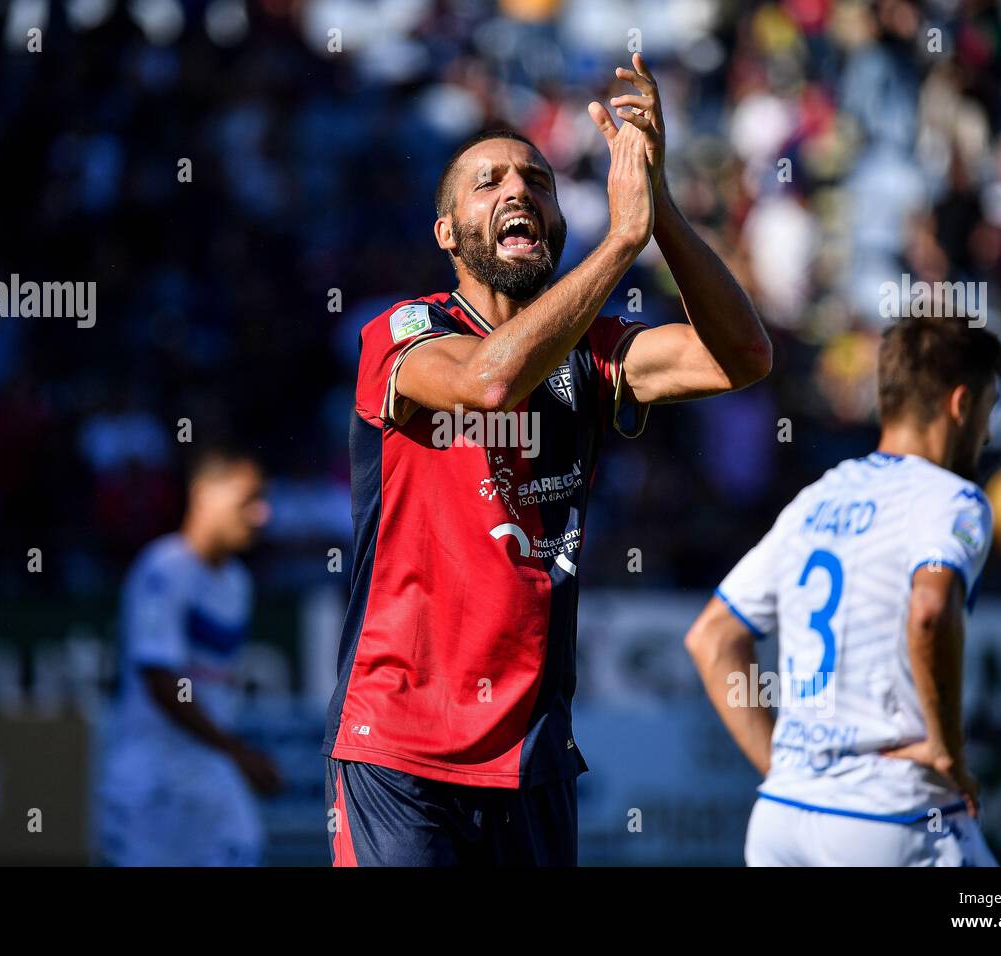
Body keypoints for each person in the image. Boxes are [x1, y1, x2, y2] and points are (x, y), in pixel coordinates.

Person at [323, 54, 771, 866]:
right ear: (448, 232)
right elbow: (489, 383)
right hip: (398, 746)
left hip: (533, 754)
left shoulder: (595, 355)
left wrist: (659, 207)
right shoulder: (401, 333)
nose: (517, 189)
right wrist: (622, 244)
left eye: (534, 179)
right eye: (486, 182)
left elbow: (742, 357)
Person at [685, 316, 1001, 866]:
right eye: (988, 410)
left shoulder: (817, 498)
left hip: (782, 817)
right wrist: (948, 751)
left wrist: (790, 771)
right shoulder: (952, 499)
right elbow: (930, 610)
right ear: (961, 404)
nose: (988, 433)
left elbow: (712, 638)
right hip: (891, 813)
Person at [96, 446, 281, 866]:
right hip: (151, 787)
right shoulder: (163, 568)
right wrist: (236, 751)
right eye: (248, 499)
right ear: (203, 494)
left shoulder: (238, 582)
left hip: (209, 780)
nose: (260, 514)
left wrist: (230, 754)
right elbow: (162, 682)